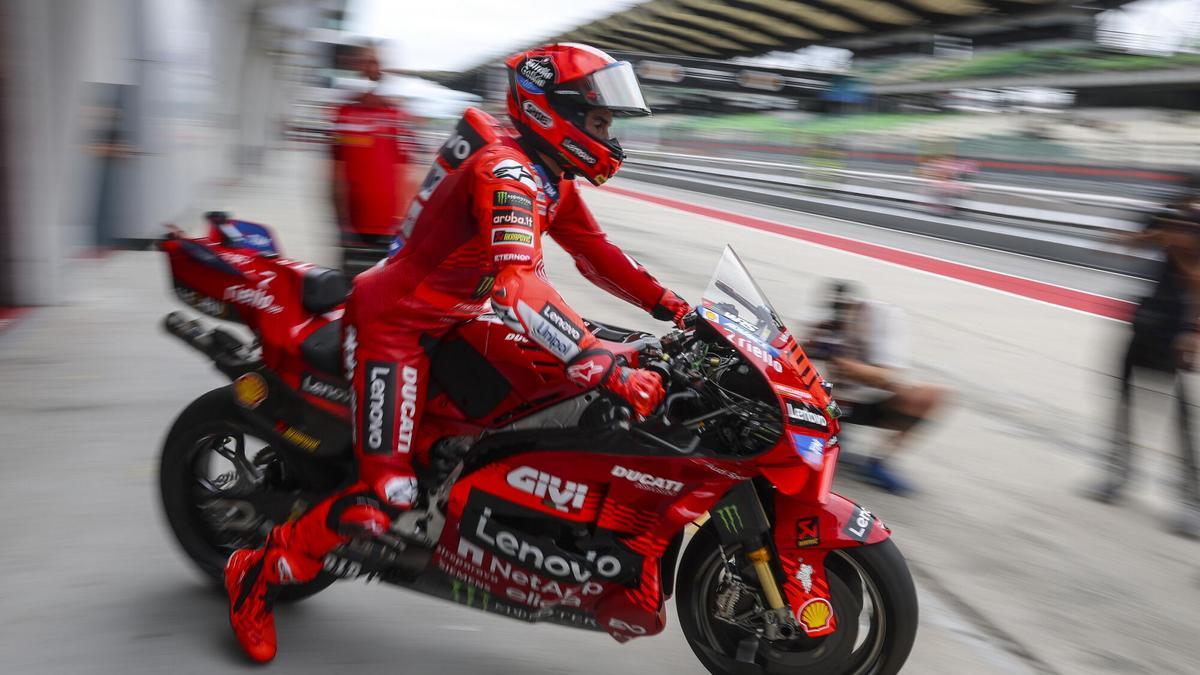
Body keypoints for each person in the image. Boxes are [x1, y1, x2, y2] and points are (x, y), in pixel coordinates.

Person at [223, 43, 691, 662]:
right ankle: (258, 572)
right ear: (554, 112)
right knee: (385, 494)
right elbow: (515, 282)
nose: (608, 135)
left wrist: (678, 310)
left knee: (571, 396)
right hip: (397, 327)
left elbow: (597, 255)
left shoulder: (546, 173)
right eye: (599, 121)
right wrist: (589, 355)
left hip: (460, 322)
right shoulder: (508, 174)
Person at [1085, 179, 1200, 538]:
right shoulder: (1165, 218)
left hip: (1177, 329)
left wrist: (1193, 331)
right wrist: (1141, 238)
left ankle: (1191, 502)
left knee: (1180, 420)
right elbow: (1128, 243)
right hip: (1146, 320)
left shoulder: (1192, 230)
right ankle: (1118, 476)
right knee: (1123, 404)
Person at [807, 281, 946, 495]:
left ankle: (878, 461)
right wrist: (812, 342)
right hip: (832, 402)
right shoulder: (826, 322)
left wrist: (847, 363)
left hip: (872, 401)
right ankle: (834, 434)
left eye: (846, 319)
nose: (842, 324)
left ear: (858, 309)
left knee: (929, 395)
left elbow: (887, 377)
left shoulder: (884, 319)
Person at [330, 42, 417, 267]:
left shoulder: (397, 116)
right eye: (364, 62)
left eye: (374, 63)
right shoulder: (344, 114)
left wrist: (405, 225)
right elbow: (334, 173)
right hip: (350, 227)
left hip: (389, 230)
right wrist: (339, 220)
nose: (369, 69)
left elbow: (408, 175)